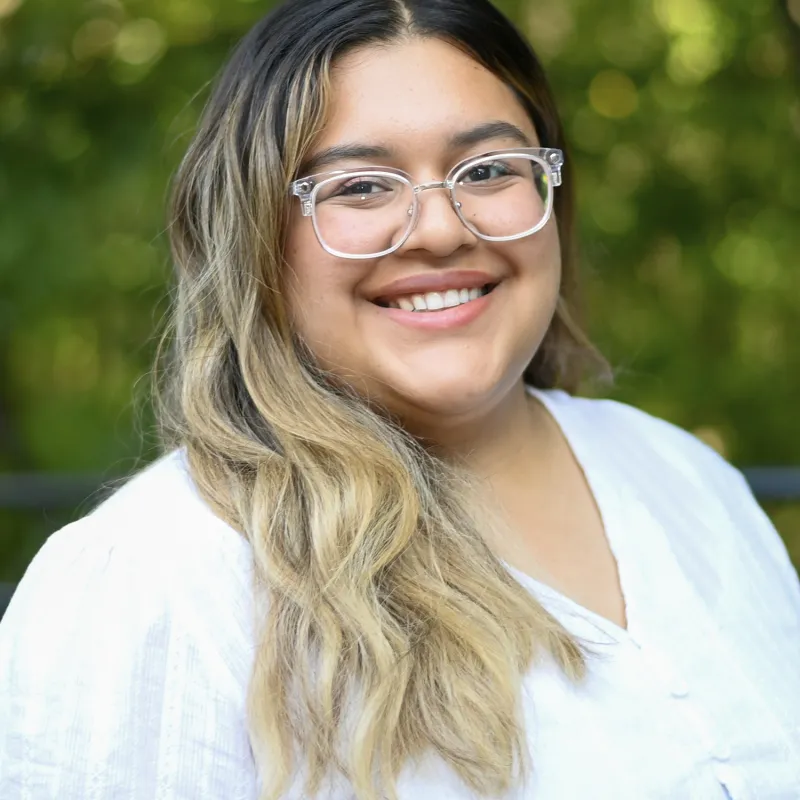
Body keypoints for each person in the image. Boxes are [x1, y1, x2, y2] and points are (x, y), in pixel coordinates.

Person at [1, 0, 799, 797]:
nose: (442, 229)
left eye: (487, 169)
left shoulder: (687, 480)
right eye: (360, 186)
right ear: (256, 235)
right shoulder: (152, 583)